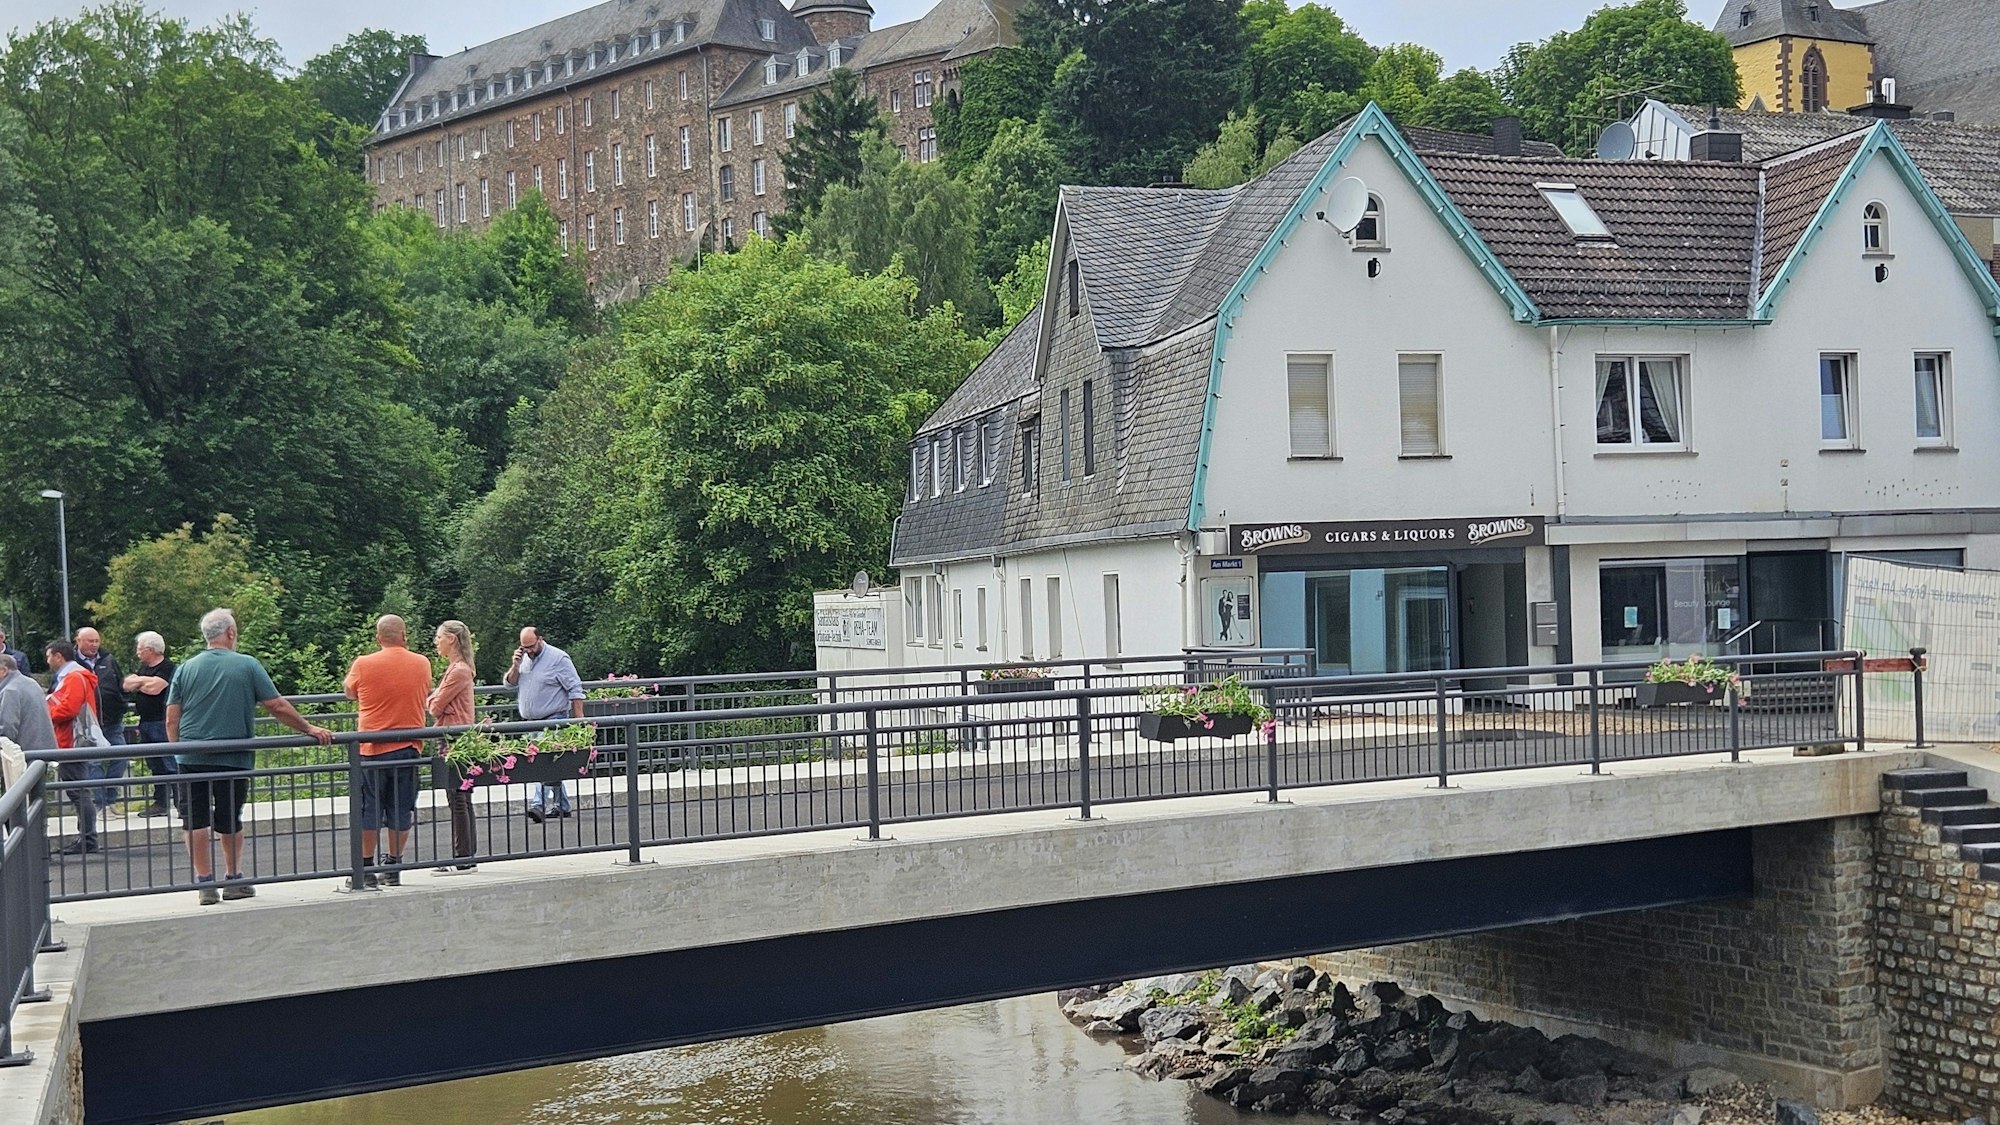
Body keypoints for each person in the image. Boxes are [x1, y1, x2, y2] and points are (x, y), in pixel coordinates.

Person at [168, 608, 333, 906]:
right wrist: (309, 728)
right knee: (230, 817)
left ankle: (205, 883)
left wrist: (175, 750)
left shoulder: (186, 667)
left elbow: (172, 717)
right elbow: (277, 706)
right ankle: (234, 879)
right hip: (233, 756)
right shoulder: (247, 664)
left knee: (194, 820)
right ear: (230, 633)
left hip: (190, 756)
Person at [342, 615, 432, 887]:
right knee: (401, 808)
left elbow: (349, 692)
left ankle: (366, 868)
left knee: (369, 808)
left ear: (378, 637)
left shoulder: (363, 663)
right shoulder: (422, 663)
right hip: (408, 746)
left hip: (372, 747)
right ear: (404, 636)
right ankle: (394, 865)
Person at [502, 626, 584, 822]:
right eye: (525, 647)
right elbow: (509, 684)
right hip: (530, 723)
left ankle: (538, 804)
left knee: (541, 763)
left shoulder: (558, 658)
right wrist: (515, 665)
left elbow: (575, 688)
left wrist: (579, 721)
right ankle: (562, 805)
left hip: (553, 719)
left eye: (531, 646)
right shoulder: (523, 659)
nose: (529, 650)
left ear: (540, 639)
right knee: (550, 764)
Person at [427, 620, 478, 870]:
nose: (436, 642)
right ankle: (465, 855)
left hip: (453, 736)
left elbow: (435, 707)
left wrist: (434, 701)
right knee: (462, 796)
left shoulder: (458, 671)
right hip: (457, 734)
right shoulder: (460, 669)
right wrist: (437, 701)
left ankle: (463, 857)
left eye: (439, 637)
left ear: (452, 639)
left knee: (457, 797)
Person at [43, 641, 101, 855]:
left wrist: (45, 713)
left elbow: (68, 709)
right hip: (71, 740)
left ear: (58, 656)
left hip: (71, 741)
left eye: (49, 656)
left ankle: (88, 839)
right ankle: (87, 838)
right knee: (78, 790)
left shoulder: (74, 677)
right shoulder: (75, 676)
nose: (47, 661)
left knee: (78, 792)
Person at [123, 631, 180, 818]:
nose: (137, 652)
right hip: (146, 723)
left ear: (150, 650)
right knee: (155, 765)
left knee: (170, 764)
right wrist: (144, 682)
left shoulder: (168, 668)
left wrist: (139, 682)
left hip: (162, 722)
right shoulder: (144, 669)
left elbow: (155, 689)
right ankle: (161, 803)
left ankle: (182, 803)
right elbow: (126, 684)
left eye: (140, 649)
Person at [74, 627, 129, 810]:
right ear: (78, 641)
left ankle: (110, 799)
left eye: (96, 641)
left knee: (121, 757)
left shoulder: (109, 660)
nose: (94, 645)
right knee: (93, 763)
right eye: (90, 641)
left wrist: (121, 704)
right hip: (87, 724)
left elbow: (121, 685)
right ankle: (101, 805)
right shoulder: (71, 663)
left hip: (112, 721)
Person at [0, 654, 58, 769]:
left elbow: (7, 730)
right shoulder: (31, 683)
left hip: (25, 758)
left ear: (3, 671)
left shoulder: (10, 690)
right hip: (45, 753)